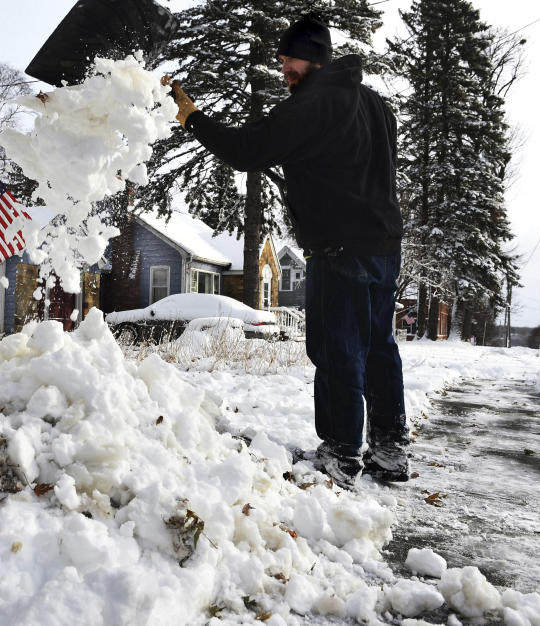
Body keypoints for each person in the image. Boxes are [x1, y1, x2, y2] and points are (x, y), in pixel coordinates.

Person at [165, 14, 408, 488]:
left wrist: (192, 118)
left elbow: (246, 149)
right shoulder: (375, 103)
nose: (284, 70)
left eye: (290, 60)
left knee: (338, 349)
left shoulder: (313, 105)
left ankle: (340, 451)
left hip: (340, 249)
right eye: (280, 61)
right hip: (382, 245)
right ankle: (390, 448)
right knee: (379, 346)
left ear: (315, 56)